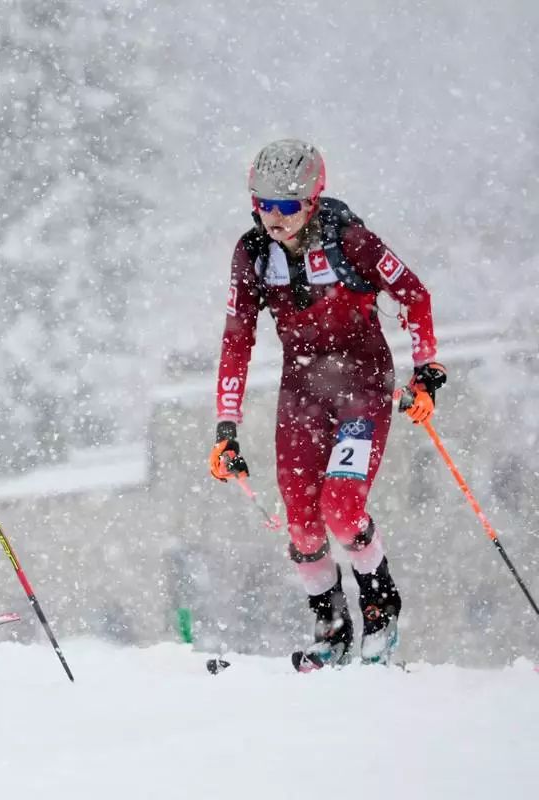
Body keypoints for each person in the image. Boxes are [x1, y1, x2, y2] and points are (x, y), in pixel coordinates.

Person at [208, 139, 447, 670]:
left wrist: (426, 372)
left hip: (363, 387)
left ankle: (380, 608)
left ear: (313, 199)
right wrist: (226, 427)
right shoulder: (251, 255)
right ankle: (331, 626)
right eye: (262, 205)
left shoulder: (351, 240)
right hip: (303, 392)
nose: (274, 218)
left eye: (287, 207)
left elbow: (413, 294)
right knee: (301, 520)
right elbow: (236, 340)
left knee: (340, 506)